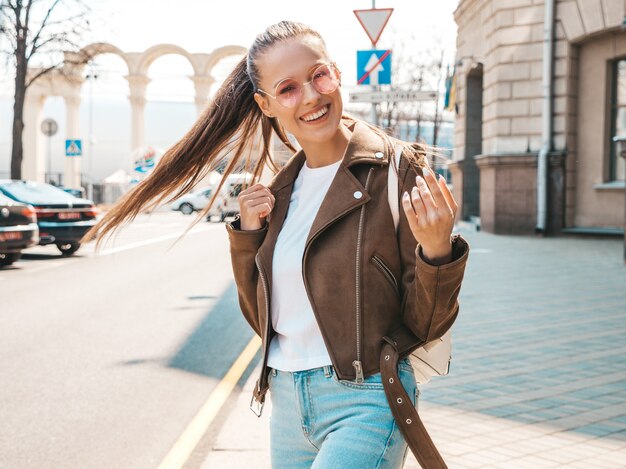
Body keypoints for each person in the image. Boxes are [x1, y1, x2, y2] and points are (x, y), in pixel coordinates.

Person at [80, 20, 470, 469]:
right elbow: (260, 319)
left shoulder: (395, 174)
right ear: (265, 104)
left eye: (319, 75)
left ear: (337, 74)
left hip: (367, 398)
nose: (310, 96)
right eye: (287, 89)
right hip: (287, 403)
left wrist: (437, 252)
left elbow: (426, 323)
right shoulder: (278, 196)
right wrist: (248, 239)